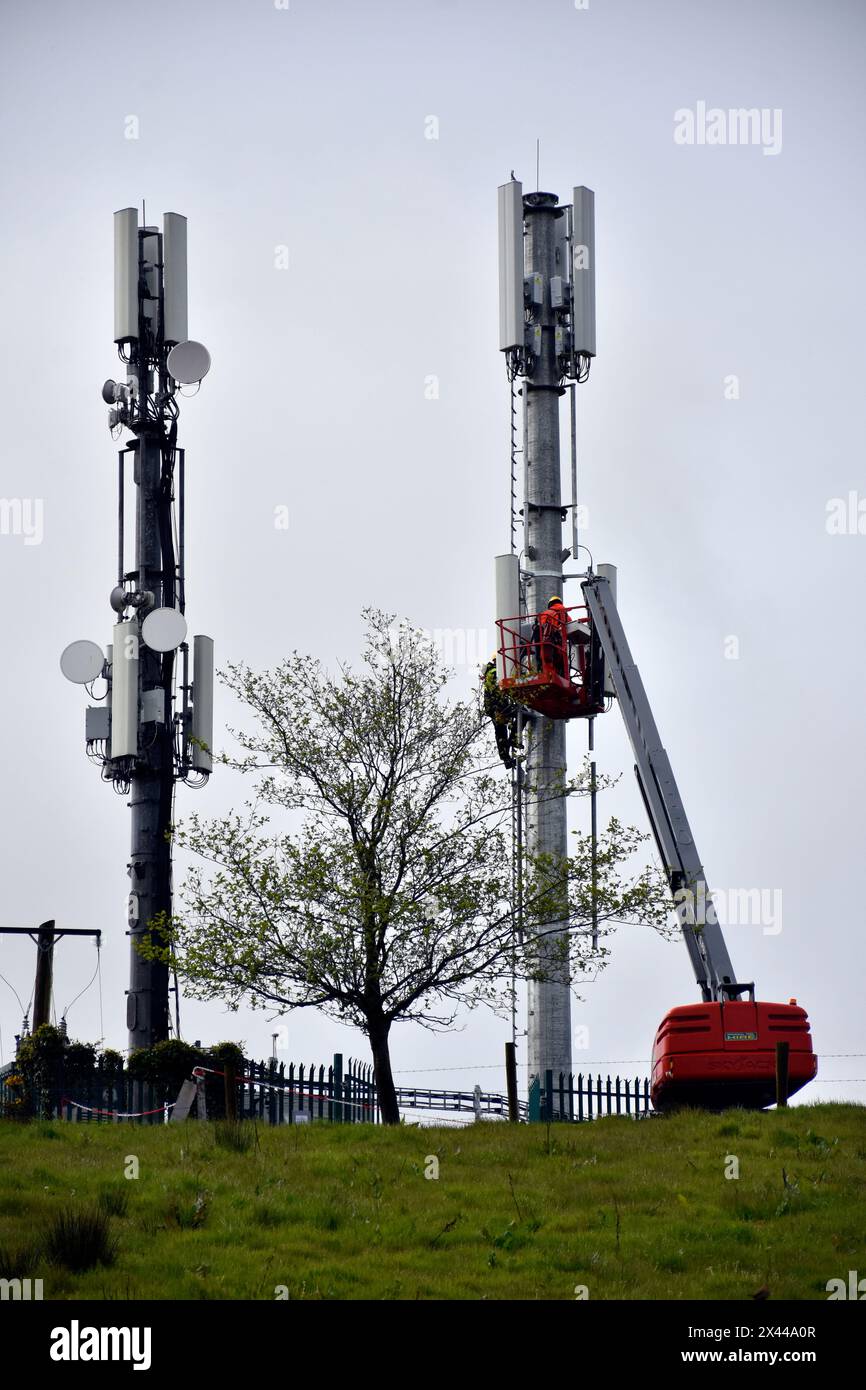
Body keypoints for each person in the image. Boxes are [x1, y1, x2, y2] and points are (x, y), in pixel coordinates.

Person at [482, 658, 520, 770]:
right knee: (523, 716)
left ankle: (506, 758)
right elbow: (502, 687)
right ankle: (512, 741)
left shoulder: (491, 672)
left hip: (496, 707)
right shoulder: (494, 672)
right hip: (499, 707)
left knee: (500, 732)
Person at [538, 595, 569, 677]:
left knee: (544, 659)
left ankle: (543, 671)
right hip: (561, 644)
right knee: (561, 663)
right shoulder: (566, 615)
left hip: (548, 642)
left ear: (550, 604)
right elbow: (570, 629)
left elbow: (541, 628)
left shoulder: (546, 613)